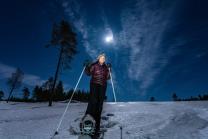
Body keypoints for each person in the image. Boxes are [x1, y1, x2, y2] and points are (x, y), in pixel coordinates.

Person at [84, 53, 111, 138]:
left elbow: (108, 77)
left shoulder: (106, 67)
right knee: (93, 102)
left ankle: (96, 128)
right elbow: (88, 73)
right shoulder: (94, 65)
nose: (103, 59)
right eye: (102, 58)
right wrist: (86, 66)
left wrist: (110, 69)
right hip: (95, 84)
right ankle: (87, 124)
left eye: (104, 58)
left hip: (103, 86)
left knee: (99, 105)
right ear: (98, 58)